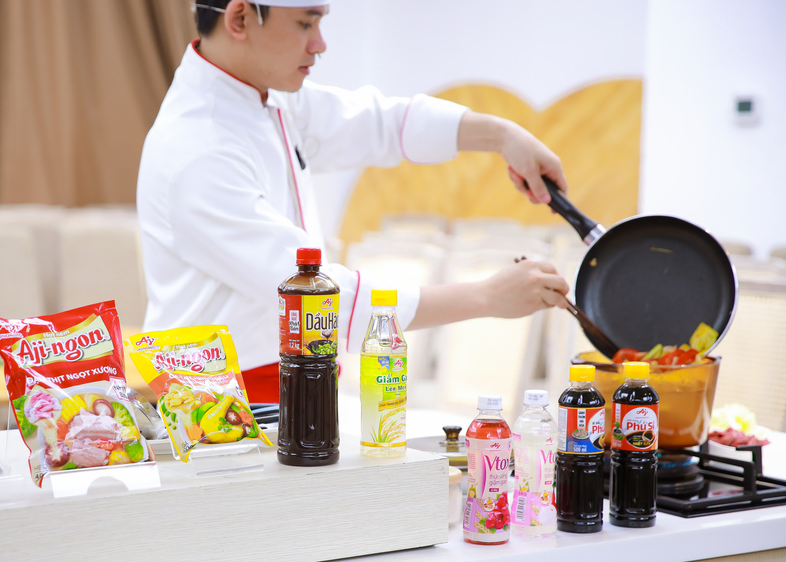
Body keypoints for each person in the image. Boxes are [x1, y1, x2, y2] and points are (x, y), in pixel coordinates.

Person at [136, 0, 570, 402]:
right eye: (305, 23)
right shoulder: (198, 148)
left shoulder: (265, 97)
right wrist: (485, 297)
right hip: (222, 401)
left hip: (286, 379)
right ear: (240, 18)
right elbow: (317, 300)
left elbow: (380, 122)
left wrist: (503, 135)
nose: (319, 44)